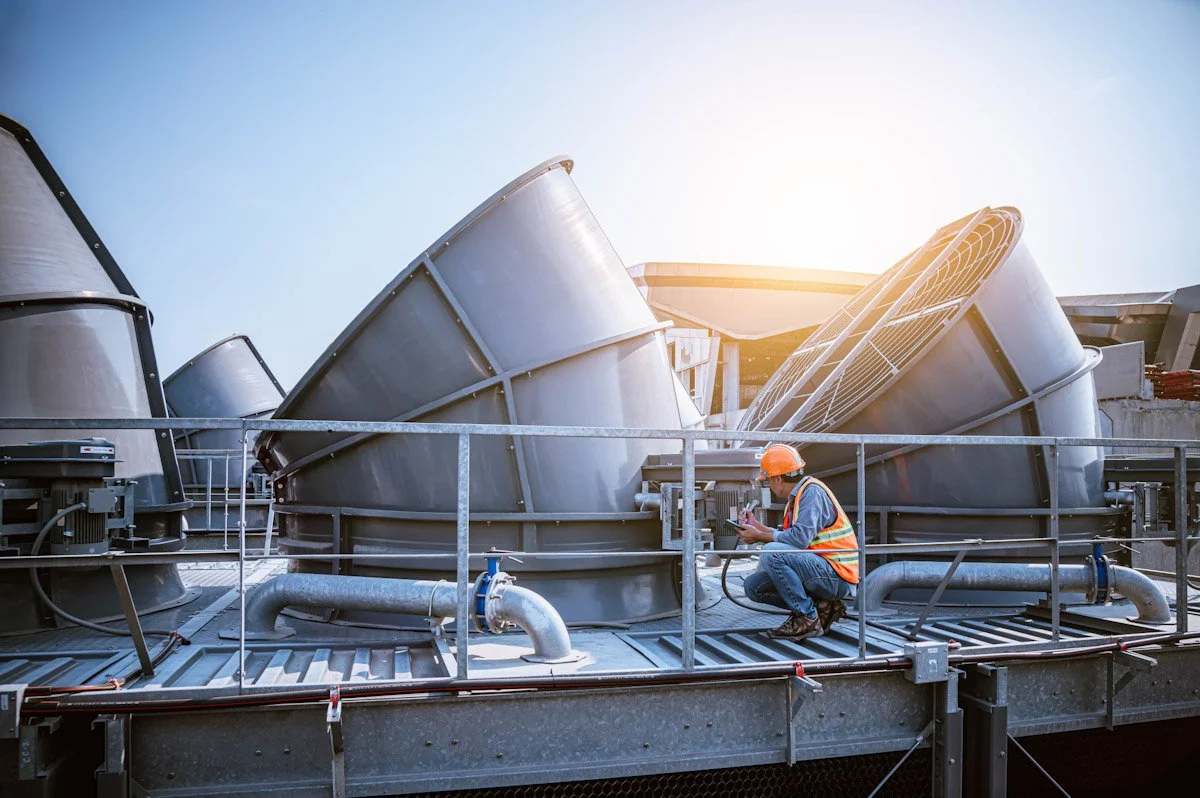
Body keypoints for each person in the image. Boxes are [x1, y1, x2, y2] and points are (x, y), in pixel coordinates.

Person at [736, 443, 859, 640]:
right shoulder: (798, 497)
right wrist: (757, 526)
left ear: (777, 478)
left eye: (767, 481)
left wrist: (759, 537)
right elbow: (787, 537)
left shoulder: (812, 493)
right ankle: (823, 606)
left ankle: (806, 618)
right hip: (820, 570)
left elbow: (798, 539)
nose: (769, 486)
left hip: (837, 575)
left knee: (772, 552)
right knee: (753, 586)